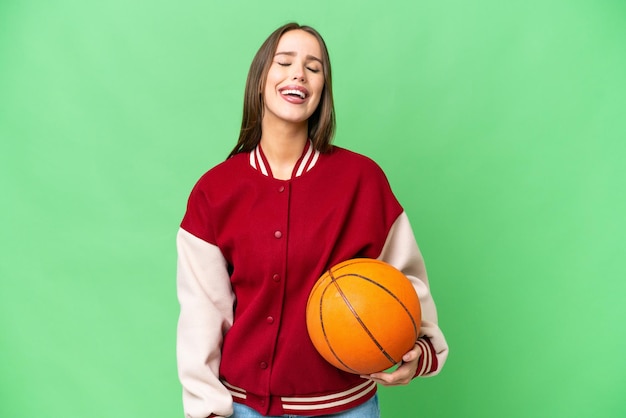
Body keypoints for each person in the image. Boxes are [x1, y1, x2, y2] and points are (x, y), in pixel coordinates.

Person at [176, 22, 448, 418]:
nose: (298, 74)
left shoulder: (362, 180)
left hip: (346, 408)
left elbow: (405, 280)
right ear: (259, 80)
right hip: (242, 408)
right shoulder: (214, 191)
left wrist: (420, 349)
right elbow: (203, 310)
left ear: (322, 91)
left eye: (314, 67)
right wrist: (206, 408)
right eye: (284, 62)